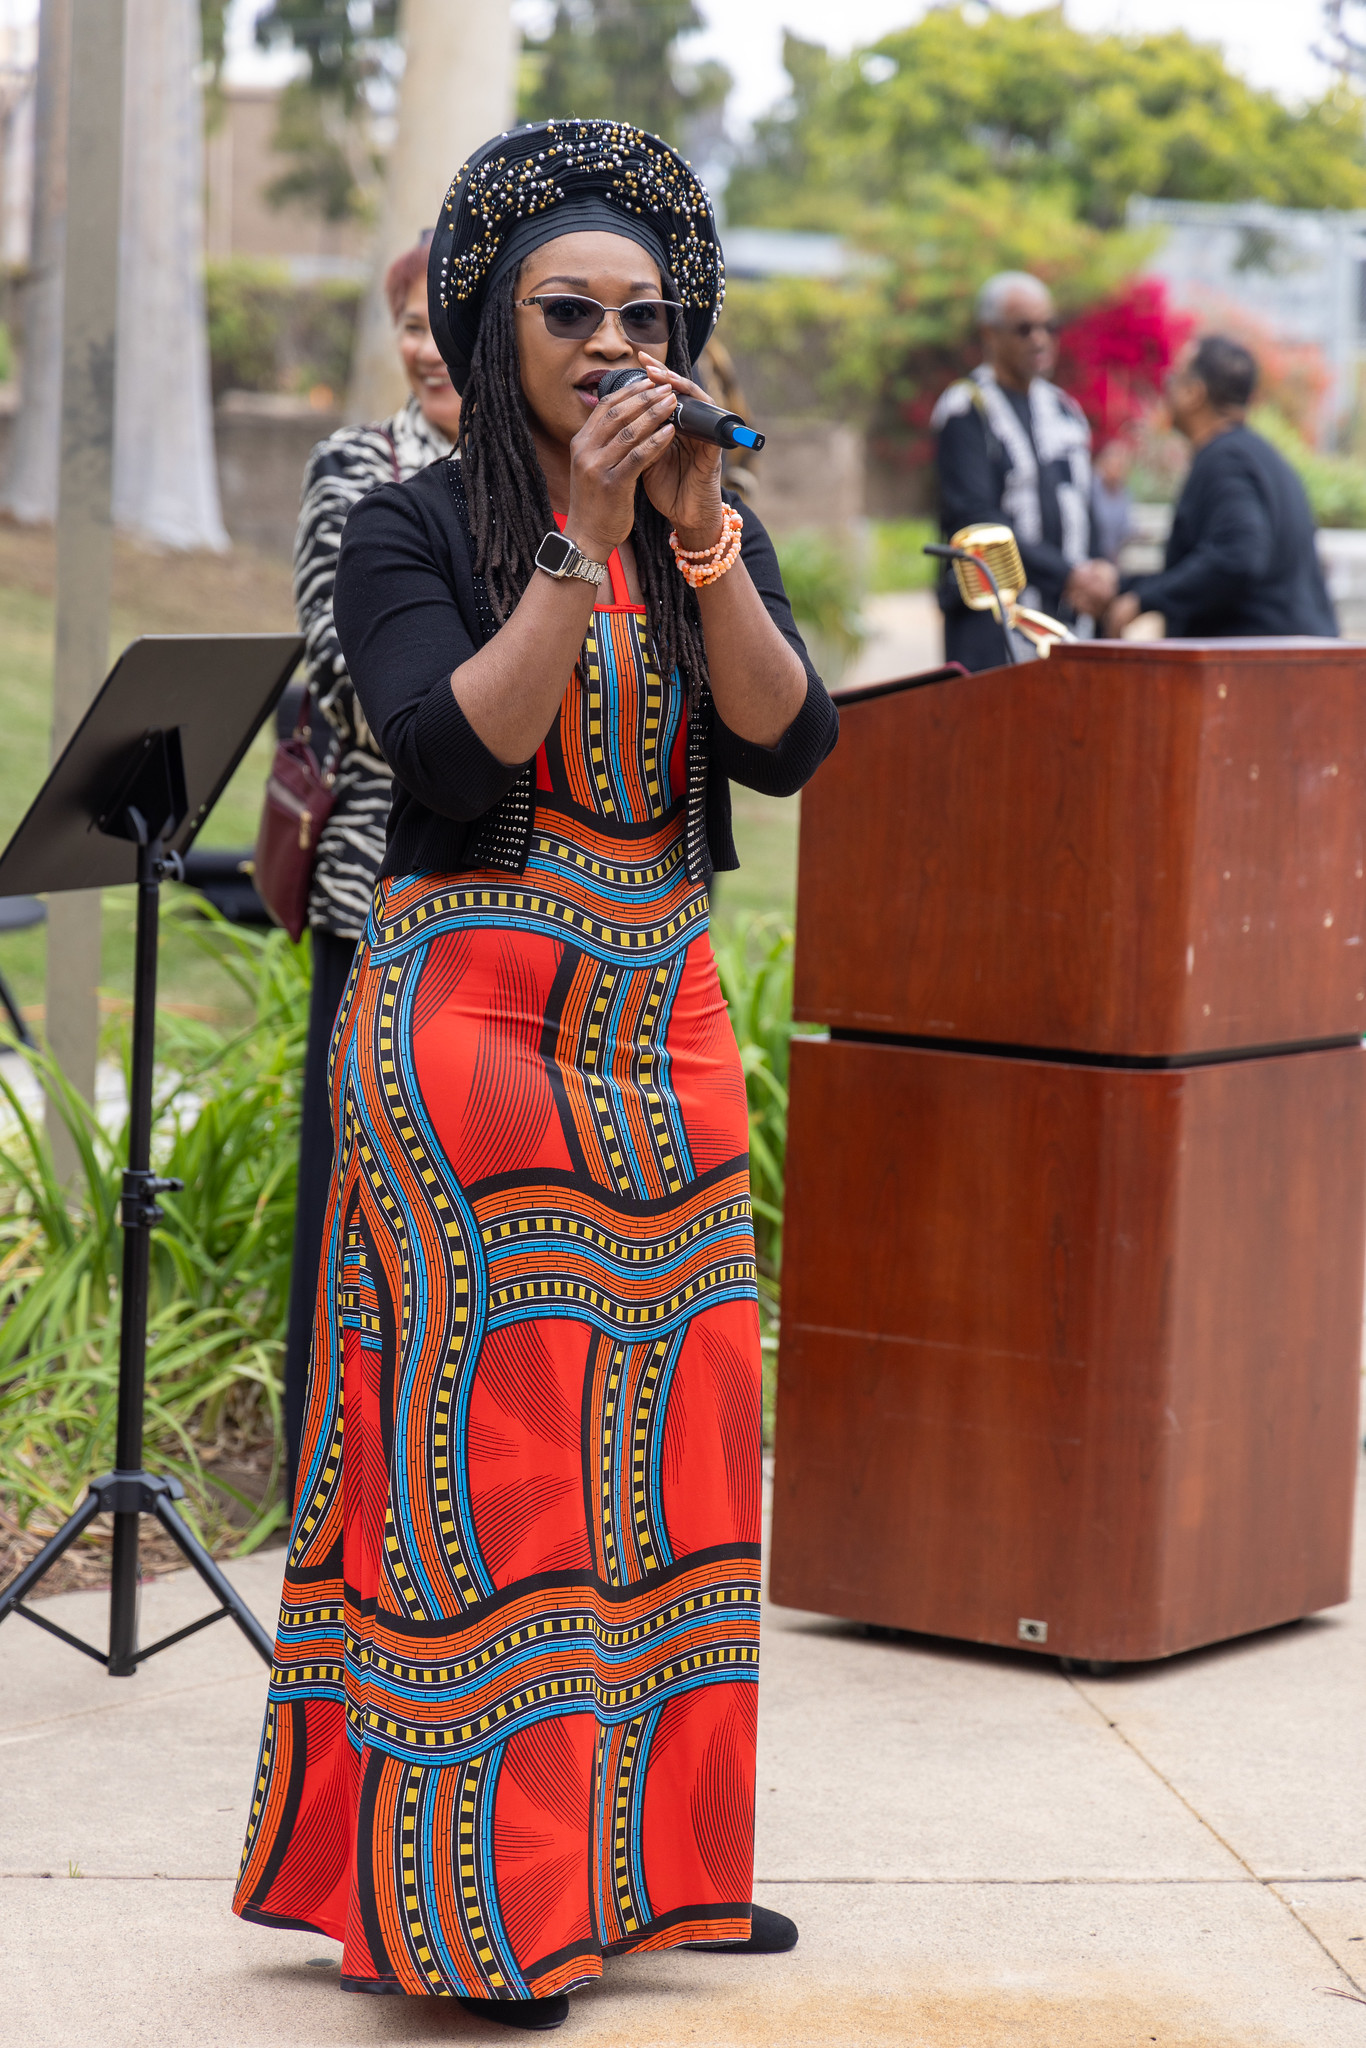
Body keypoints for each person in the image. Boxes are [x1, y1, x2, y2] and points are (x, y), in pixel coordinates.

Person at [234, 119, 839, 2031]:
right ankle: (464, 1910)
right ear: (495, 326)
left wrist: (694, 536)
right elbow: (442, 754)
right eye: (570, 310)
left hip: (658, 1024)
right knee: (485, 1477)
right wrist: (577, 540)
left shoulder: (691, 528)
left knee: (673, 1462)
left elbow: (785, 742)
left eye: (644, 314)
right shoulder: (414, 523)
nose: (608, 339)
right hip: (470, 1032)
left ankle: (655, 1872)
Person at [281, 236, 462, 1507]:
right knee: (349, 1206)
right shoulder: (363, 470)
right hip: (377, 884)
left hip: (520, 903)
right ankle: (322, 1487)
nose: (421, 346)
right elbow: (351, 682)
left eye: (438, 320)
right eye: (404, 324)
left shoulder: (557, 474)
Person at [932, 270, 1116, 669]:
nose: (1040, 339)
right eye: (1024, 328)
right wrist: (1068, 573)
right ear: (989, 334)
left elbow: (1085, 504)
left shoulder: (1064, 410)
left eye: (1050, 326)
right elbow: (976, 519)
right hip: (993, 623)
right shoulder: (966, 408)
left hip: (1069, 615)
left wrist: (1100, 572)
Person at [1104, 336, 1338, 640]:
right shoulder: (1262, 457)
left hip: (1259, 672)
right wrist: (1126, 587)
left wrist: (1141, 601)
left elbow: (1238, 556)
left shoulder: (1223, 460)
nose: (1167, 389)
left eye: (1173, 379)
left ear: (1193, 393)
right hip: (1295, 662)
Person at [1090, 437, 1137, 564]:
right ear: (1103, 463)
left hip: (1112, 558)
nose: (1118, 469)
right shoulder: (1090, 489)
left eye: (1122, 464)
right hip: (1091, 557)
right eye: (1115, 464)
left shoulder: (1124, 493)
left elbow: (1126, 527)